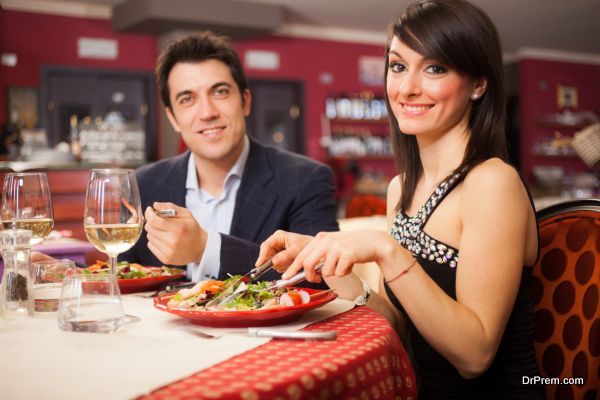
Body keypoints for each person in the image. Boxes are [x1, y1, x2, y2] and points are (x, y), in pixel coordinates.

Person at [255, 0, 543, 398]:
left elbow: (475, 355)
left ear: (478, 84)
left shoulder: (492, 182)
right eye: (398, 65)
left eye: (435, 68)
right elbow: (399, 324)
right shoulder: (401, 187)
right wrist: (328, 260)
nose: (407, 87)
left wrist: (388, 251)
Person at [116, 31, 339, 283]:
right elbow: (125, 280)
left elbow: (321, 280)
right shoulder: (143, 185)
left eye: (220, 92)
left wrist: (206, 248)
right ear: (172, 118)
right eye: (187, 99)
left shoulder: (305, 179)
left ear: (244, 101)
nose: (207, 112)